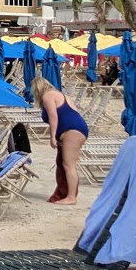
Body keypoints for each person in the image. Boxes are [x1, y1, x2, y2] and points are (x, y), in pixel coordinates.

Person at [37, 77, 89, 205]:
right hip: (77, 129)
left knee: (68, 165)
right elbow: (74, 114)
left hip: (72, 131)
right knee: (65, 164)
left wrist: (52, 136)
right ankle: (66, 194)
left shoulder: (48, 96)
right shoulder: (62, 95)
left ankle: (71, 197)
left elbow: (53, 117)